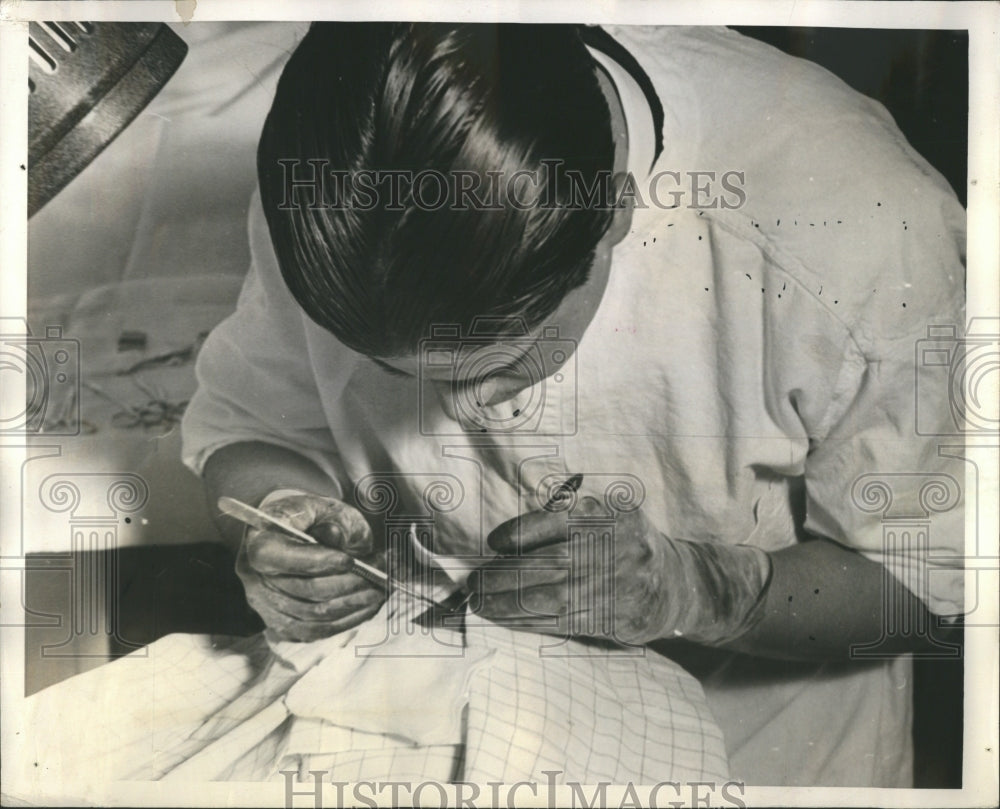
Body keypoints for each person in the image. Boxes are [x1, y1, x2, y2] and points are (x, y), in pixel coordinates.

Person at [181, 22, 966, 787]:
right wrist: (278, 514)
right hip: (434, 738)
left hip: (759, 756)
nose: (467, 406)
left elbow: (931, 586)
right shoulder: (344, 187)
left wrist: (699, 587)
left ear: (614, 214)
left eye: (512, 359)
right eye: (393, 371)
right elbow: (252, 425)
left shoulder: (863, 231)